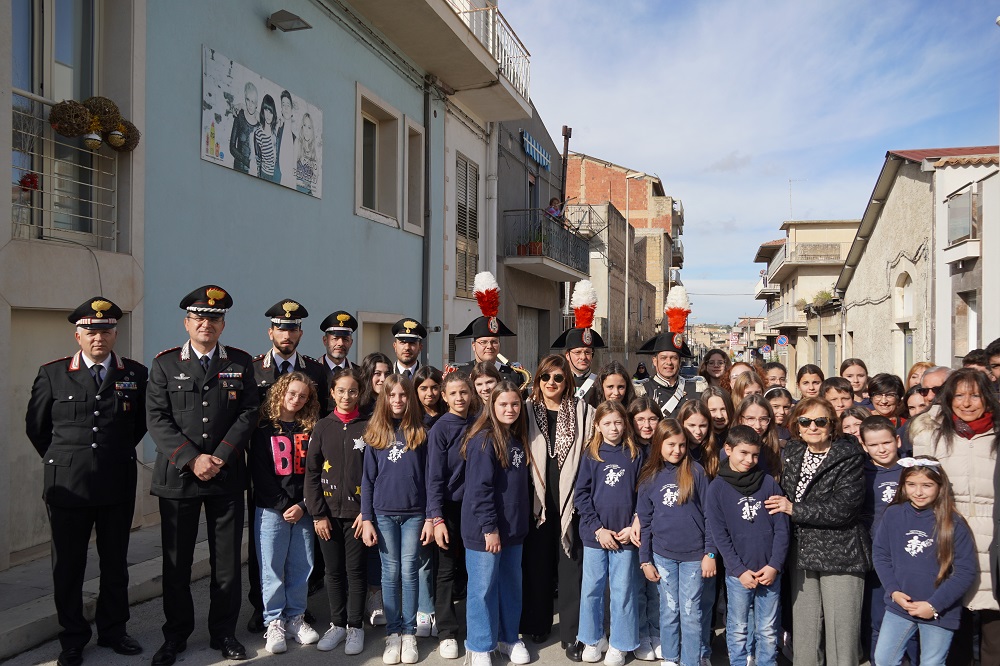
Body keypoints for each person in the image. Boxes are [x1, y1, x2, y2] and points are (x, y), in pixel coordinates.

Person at [25, 298, 148, 666]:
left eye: (107, 331)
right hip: (69, 486)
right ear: (78, 335)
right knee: (68, 566)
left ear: (115, 334)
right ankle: (73, 637)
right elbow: (37, 428)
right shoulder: (53, 373)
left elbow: (140, 424)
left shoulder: (135, 374)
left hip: (115, 483)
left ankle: (114, 631)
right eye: (91, 331)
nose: (99, 338)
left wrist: (112, 453)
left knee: (114, 563)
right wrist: (67, 459)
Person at [146, 285, 259, 665]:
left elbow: (248, 413)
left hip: (225, 478)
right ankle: (176, 635)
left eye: (213, 318)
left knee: (226, 562)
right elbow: (157, 418)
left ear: (223, 324)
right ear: (186, 322)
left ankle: (223, 633)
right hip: (179, 477)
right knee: (176, 564)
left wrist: (222, 456)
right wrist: (192, 459)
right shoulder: (164, 364)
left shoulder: (241, 363)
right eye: (199, 317)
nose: (205, 324)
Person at [764, 396, 870, 666]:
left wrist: (794, 510)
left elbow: (843, 509)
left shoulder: (849, 456)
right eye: (805, 421)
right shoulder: (794, 453)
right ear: (796, 426)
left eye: (820, 421)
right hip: (801, 553)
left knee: (841, 635)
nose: (813, 426)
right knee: (805, 633)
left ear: (832, 425)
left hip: (840, 553)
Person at [910, 368, 1000, 665]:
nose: (967, 402)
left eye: (975, 395)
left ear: (987, 398)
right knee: (952, 633)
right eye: (959, 395)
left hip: (994, 544)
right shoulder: (933, 437)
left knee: (994, 637)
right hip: (950, 538)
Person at [249, 300, 329, 623]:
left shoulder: (315, 371)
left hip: (301, 469)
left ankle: (298, 607)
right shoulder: (253, 369)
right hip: (265, 471)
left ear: (300, 333)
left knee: (301, 551)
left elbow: (319, 420)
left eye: (293, 328)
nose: (287, 333)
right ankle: (262, 608)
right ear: (271, 331)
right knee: (264, 548)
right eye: (281, 327)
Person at [520, 355, 595, 660]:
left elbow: (591, 454)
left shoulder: (583, 412)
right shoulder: (524, 410)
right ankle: (537, 623)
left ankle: (571, 632)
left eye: (558, 378)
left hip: (571, 500)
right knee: (536, 563)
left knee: (570, 566)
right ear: (537, 380)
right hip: (535, 499)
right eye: (545, 377)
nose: (551, 383)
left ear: (568, 381)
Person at [873, 457, 978, 665]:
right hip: (900, 606)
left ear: (940, 487)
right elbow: (881, 554)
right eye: (911, 484)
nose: (918, 492)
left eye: (927, 485)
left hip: (939, 610)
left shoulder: (953, 523)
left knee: (932, 662)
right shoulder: (893, 514)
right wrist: (894, 591)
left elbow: (965, 571)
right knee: (884, 659)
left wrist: (934, 605)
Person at [360, 374, 431, 665]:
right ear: (384, 399)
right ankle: (393, 633)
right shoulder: (375, 433)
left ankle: (409, 632)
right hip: (384, 514)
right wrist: (366, 519)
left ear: (410, 398)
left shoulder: (421, 431)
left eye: (403, 395)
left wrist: (430, 517)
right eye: (392, 395)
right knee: (389, 573)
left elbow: (430, 478)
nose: (398, 400)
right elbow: (367, 480)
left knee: (409, 571)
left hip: (415, 514)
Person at [249, 372, 321, 653]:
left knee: (302, 567)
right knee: (272, 568)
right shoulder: (263, 428)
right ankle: (274, 622)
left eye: (303, 396)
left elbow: (314, 471)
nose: (296, 399)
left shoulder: (310, 428)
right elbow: (260, 472)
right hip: (271, 510)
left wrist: (303, 505)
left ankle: (295, 617)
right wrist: (282, 505)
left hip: (303, 509)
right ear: (281, 392)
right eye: (292, 393)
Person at [461, 380, 533, 666]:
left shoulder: (517, 437)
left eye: (515, 404)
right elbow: (480, 490)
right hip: (486, 531)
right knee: (483, 588)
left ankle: (508, 637)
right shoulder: (484, 439)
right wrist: (489, 528)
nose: (510, 409)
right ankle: (479, 645)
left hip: (513, 529)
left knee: (510, 586)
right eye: (503, 404)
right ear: (492, 406)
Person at [707, 426, 789, 666]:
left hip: (769, 571)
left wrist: (775, 565)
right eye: (743, 453)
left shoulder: (768, 484)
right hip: (738, 575)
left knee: (767, 627)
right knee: (738, 625)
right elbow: (720, 535)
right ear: (728, 449)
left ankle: (766, 662)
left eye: (754, 455)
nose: (749, 460)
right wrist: (739, 570)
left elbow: (782, 529)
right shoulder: (717, 489)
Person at [637, 419, 715, 666]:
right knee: (669, 610)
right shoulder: (650, 477)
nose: (677, 450)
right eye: (670, 445)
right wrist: (645, 560)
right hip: (663, 556)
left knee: (691, 613)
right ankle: (670, 657)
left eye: (682, 445)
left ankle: (692, 659)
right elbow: (645, 522)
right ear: (659, 444)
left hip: (694, 556)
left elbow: (710, 516)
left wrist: (710, 553)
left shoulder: (697, 472)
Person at [304, 368, 370, 656]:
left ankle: (355, 626)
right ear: (332, 393)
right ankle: (338, 624)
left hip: (358, 515)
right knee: (333, 572)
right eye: (341, 390)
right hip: (327, 516)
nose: (346, 396)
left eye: (352, 391)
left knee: (355, 572)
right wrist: (318, 514)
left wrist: (367, 512)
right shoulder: (322, 427)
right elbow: (312, 472)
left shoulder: (369, 425)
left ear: (360, 394)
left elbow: (375, 473)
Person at [574, 401, 644, 666]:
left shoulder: (634, 454)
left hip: (625, 536)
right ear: (597, 426)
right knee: (592, 588)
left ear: (624, 423)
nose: (613, 428)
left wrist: (635, 522)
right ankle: (592, 638)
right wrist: (597, 528)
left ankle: (621, 642)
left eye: (618, 422)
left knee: (623, 589)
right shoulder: (592, 455)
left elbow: (643, 493)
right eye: (607, 423)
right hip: (596, 536)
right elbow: (581, 495)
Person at [426, 373, 478, 659]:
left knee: (473, 570)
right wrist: (436, 517)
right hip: (448, 507)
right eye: (454, 393)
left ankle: (477, 626)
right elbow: (433, 476)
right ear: (444, 397)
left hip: (476, 506)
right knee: (446, 570)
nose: (460, 398)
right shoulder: (440, 429)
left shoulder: (479, 422)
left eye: (464, 392)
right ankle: (447, 630)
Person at [858, 415, 905, 664]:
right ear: (864, 446)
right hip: (876, 557)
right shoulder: (861, 474)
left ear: (897, 440)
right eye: (874, 445)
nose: (881, 449)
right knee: (879, 618)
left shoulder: (911, 471)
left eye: (886, 442)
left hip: (908, 558)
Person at [626, 399, 662, 661]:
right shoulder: (628, 450)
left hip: (659, 525)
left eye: (652, 419)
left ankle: (657, 631)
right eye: (641, 419)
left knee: (656, 584)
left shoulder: (665, 448)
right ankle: (640, 633)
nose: (647, 425)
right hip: (632, 527)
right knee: (636, 585)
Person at [453, 272, 523, 386]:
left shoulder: (513, 374)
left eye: (494, 342)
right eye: (483, 342)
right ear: (473, 346)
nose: (489, 346)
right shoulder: (460, 373)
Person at [552, 280, 607, 408]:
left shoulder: (600, 382)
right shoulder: (557, 380)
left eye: (587, 352)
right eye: (577, 352)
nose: (583, 357)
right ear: (567, 355)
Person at [637, 328, 706, 419]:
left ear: (680, 361)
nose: (669, 362)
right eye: (663, 358)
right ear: (654, 361)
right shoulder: (642, 390)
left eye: (673, 358)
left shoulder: (696, 388)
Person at [735, 394, 782, 477]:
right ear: (740, 420)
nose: (758, 426)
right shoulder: (729, 451)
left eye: (763, 419)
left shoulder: (777, 450)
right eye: (750, 419)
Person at [318, 311, 361, 381]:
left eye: (345, 339)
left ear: (351, 343)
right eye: (335, 338)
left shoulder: (359, 373)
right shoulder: (312, 371)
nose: (340, 343)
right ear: (325, 340)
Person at [229, 81, 258, 174]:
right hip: (239, 168)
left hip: (254, 172)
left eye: (253, 101)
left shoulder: (260, 123)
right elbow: (232, 147)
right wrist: (247, 162)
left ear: (257, 104)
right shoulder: (240, 116)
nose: (250, 104)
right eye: (247, 100)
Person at [253, 93, 278, 182]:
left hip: (276, 175)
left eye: (270, 111)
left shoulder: (276, 131)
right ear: (263, 111)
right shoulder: (259, 133)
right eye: (266, 110)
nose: (268, 115)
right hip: (265, 175)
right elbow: (258, 159)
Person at [359, 352, 392, 418]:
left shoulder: (395, 403)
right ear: (368, 375)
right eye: (377, 373)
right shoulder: (357, 404)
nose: (383, 379)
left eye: (387, 374)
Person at [275, 90, 295, 187]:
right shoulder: (277, 130)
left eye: (288, 104)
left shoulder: (295, 138)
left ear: (292, 109)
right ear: (281, 109)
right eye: (283, 104)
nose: (286, 108)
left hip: (290, 183)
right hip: (277, 180)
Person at [295, 112, 318, 195]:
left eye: (309, 127)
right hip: (295, 190)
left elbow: (316, 175)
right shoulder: (297, 143)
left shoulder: (314, 151)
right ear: (302, 127)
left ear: (312, 130)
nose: (306, 130)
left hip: (308, 194)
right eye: (304, 125)